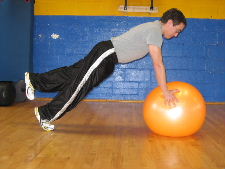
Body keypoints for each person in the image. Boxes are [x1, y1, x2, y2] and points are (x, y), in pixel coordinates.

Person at [25, 8, 187, 131]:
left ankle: (34, 81)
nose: (176, 35)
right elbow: (158, 64)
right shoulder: (155, 31)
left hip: (108, 57)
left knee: (74, 75)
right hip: (107, 53)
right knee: (80, 86)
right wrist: (165, 91)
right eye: (177, 30)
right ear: (170, 22)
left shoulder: (154, 29)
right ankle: (45, 114)